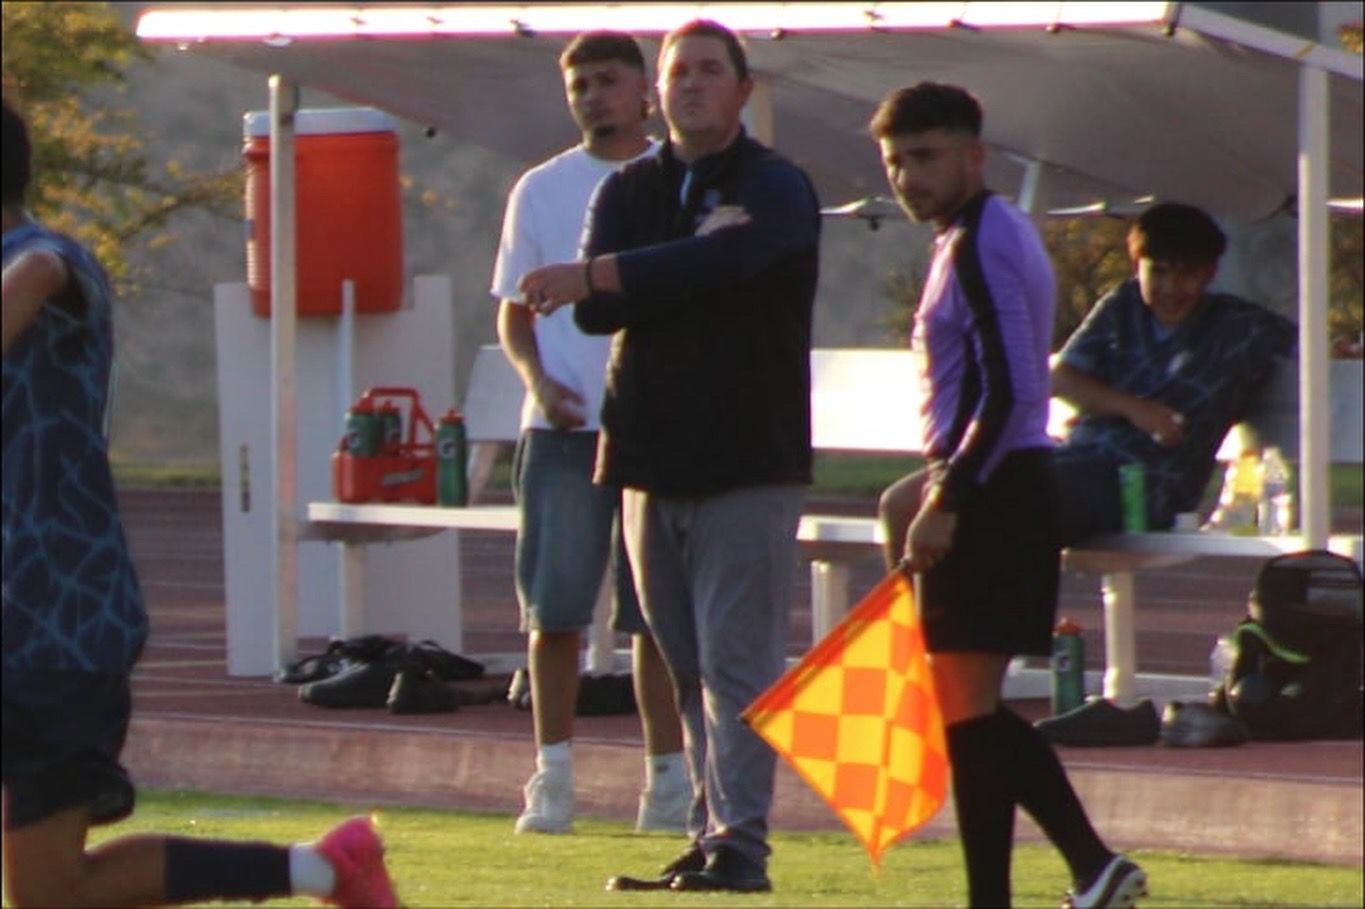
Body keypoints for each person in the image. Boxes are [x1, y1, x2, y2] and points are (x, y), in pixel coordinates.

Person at [1, 97, 396, 908]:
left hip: (55, 620)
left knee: (48, 892)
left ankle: (327, 870)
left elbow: (40, 272)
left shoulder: (47, 260)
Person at [518, 19, 820, 894]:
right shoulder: (629, 188)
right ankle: (705, 829)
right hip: (647, 456)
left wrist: (619, 273)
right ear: (658, 91)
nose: (690, 84)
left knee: (736, 661)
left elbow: (734, 260)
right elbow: (599, 313)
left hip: (745, 456)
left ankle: (742, 846)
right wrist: (665, 269)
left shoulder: (774, 183)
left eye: (709, 71)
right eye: (677, 71)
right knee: (682, 662)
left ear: (742, 88)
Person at [870, 83, 1146, 909]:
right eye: (894, 162)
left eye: (925, 156)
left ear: (972, 155)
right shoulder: (969, 235)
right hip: (992, 483)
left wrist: (946, 495)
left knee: (967, 709)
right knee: (967, 709)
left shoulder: (981, 238)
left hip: (996, 488)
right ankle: (1040, 880)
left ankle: (1089, 863)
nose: (908, 176)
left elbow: (1011, 389)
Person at [489, 30, 688, 837]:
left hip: (653, 429)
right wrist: (539, 382)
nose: (593, 97)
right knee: (556, 608)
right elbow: (513, 311)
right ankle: (553, 775)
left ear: (644, 91)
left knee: (654, 617)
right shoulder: (540, 189)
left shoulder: (679, 180)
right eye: (579, 85)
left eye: (607, 81)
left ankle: (667, 780)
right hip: (563, 431)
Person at [1050, 201, 1296, 543]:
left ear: (1210, 272)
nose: (1170, 287)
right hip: (1080, 461)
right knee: (1000, 476)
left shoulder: (1240, 327)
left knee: (1027, 493)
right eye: (1158, 272)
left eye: (1187, 274)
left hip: (1149, 486)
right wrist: (1134, 409)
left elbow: (1309, 349)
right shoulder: (1123, 305)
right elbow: (1061, 379)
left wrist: (1344, 349)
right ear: (1137, 266)